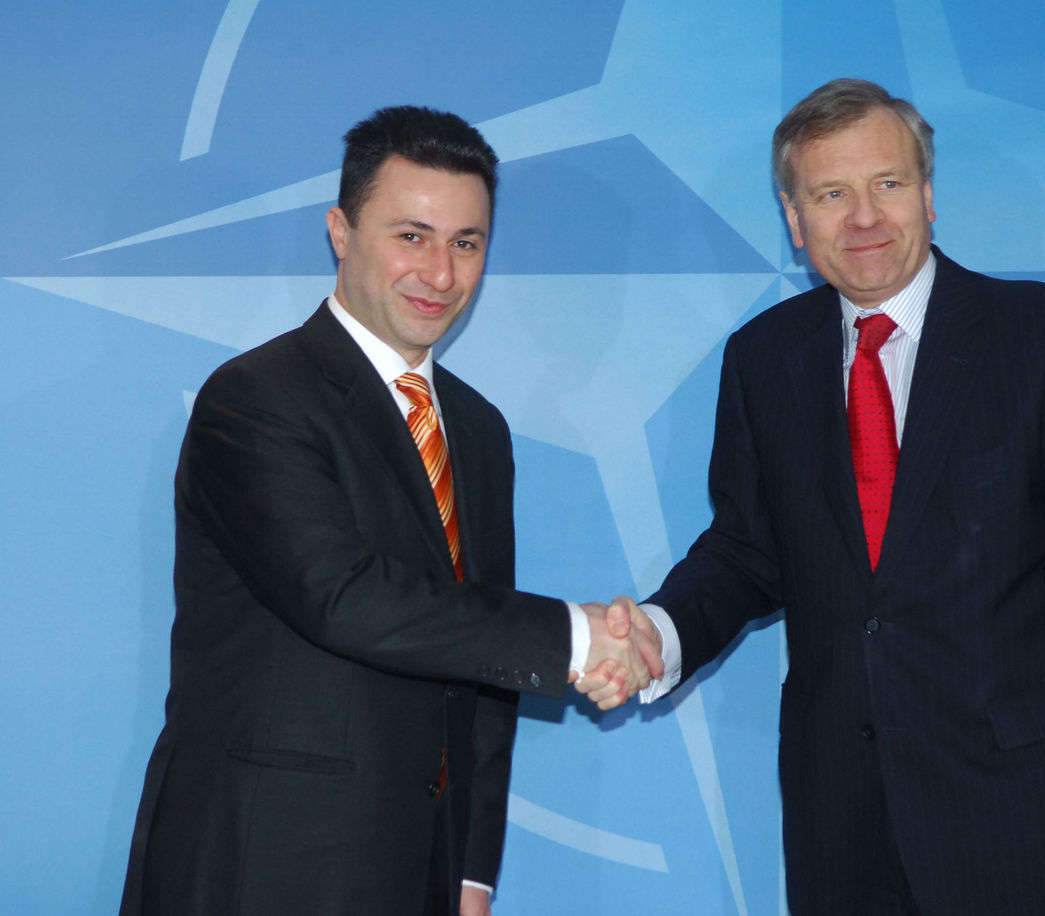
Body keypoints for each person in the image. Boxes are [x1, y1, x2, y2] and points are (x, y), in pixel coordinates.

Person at [611, 79, 1045, 915]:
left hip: (1030, 823)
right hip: (842, 829)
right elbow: (749, 550)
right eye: (830, 194)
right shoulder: (762, 358)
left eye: (886, 184)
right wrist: (658, 634)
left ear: (927, 194)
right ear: (793, 218)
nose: (863, 218)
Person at [120, 105, 660, 916]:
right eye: (411, 235)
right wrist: (580, 638)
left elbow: (478, 659)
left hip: (423, 874)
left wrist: (474, 870)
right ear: (341, 231)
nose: (440, 274)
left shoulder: (476, 430)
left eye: (466, 243)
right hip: (263, 864)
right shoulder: (256, 400)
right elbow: (343, 597)